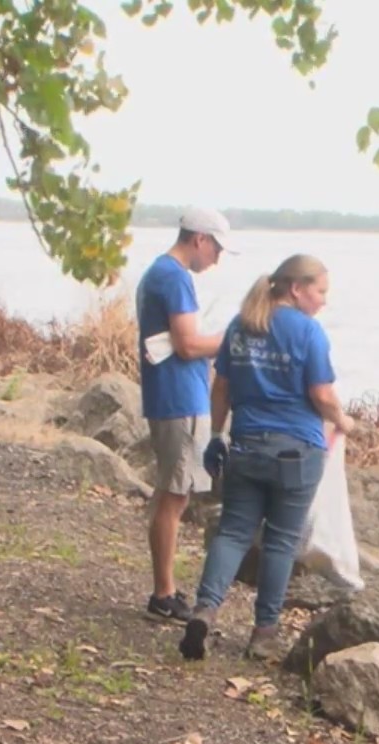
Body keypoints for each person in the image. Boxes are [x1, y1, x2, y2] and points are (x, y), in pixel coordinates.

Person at [180, 254, 354, 663]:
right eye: (320, 291)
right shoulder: (309, 333)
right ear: (297, 289)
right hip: (296, 452)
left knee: (234, 532)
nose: (324, 301)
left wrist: (217, 436)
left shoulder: (242, 325)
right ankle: (263, 634)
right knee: (280, 541)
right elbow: (322, 395)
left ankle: (205, 609)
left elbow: (220, 388)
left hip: (246, 446)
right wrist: (344, 420)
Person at [137, 207, 235, 622]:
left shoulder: (160, 273)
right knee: (175, 496)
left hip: (174, 396)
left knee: (171, 493)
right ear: (200, 239)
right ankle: (164, 593)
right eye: (217, 248)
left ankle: (165, 588)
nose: (217, 258)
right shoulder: (174, 277)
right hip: (179, 399)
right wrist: (232, 340)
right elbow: (189, 345)